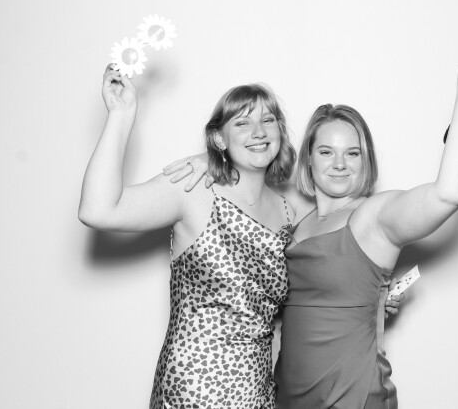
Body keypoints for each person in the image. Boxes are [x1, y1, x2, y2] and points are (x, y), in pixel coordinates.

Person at [165, 55, 458, 408]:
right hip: (287, 398)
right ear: (308, 158)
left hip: (353, 397)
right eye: (326, 152)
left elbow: (449, 193)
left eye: (352, 153)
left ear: (365, 160)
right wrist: (212, 160)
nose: (339, 164)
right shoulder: (292, 218)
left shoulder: (374, 217)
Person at [78, 65, 299, 408]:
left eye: (268, 120)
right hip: (192, 388)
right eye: (242, 123)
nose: (258, 131)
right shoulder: (194, 189)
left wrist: (375, 291)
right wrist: (121, 115)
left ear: (279, 131)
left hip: (256, 391)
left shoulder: (290, 213)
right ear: (219, 138)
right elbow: (98, 210)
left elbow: (318, 278)